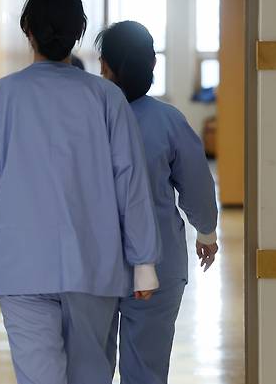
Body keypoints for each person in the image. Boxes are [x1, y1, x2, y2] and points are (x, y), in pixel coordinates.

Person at [0, 0, 161, 384]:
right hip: (94, 263)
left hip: (20, 265)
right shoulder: (106, 99)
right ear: (78, 32)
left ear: (27, 30)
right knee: (90, 374)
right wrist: (143, 261)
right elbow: (129, 181)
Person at [97, 21, 219, 384]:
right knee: (146, 369)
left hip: (92, 263)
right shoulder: (169, 121)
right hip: (158, 262)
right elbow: (197, 187)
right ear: (152, 65)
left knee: (89, 366)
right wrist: (207, 233)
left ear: (105, 67)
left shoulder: (87, 119)